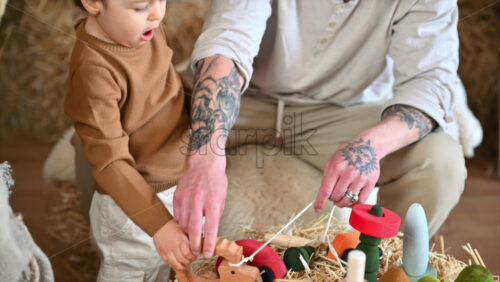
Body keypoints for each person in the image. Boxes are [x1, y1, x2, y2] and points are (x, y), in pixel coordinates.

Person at [174, 0, 470, 258]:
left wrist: (370, 145)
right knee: (145, 122)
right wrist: (206, 157)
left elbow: (430, 81)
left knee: (440, 161)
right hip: (244, 99)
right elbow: (228, 41)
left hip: (339, 113)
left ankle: (381, 265)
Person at [65, 0, 196, 280]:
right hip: (134, 205)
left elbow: (167, 85)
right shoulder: (94, 71)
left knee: (175, 271)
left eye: (162, 0)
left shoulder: (144, 29)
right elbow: (109, 162)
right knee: (134, 270)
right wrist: (159, 224)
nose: (158, 14)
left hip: (180, 179)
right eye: (140, 7)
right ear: (93, 3)